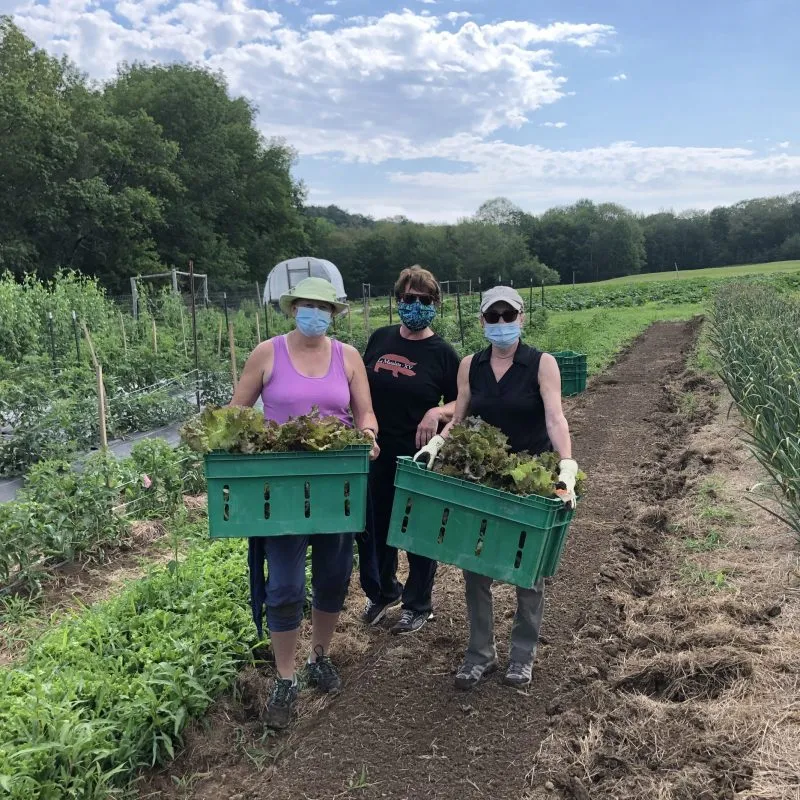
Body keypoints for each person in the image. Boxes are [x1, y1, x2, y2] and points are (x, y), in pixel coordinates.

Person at [230, 277, 380, 729]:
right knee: (285, 585)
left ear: (333, 314)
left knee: (333, 575)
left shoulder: (347, 357)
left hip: (335, 487)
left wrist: (368, 433)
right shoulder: (267, 353)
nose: (315, 313)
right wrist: (236, 445)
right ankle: (286, 677)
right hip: (282, 490)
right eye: (307, 306)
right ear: (293, 309)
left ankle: (319, 656)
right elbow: (237, 412)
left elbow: (364, 412)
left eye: (324, 307)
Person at [415, 285, 579, 689]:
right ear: (482, 321)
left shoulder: (541, 363)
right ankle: (480, 654)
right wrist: (438, 444)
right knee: (475, 568)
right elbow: (460, 418)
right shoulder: (470, 365)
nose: (501, 323)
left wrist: (566, 465)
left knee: (528, 571)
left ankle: (522, 655)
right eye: (493, 316)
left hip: (529, 478)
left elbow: (555, 418)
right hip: (482, 479)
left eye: (508, 315)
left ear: (522, 318)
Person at [358, 265, 460, 634]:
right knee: (375, 526)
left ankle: (418, 604)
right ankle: (384, 591)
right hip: (376, 450)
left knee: (418, 529)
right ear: (397, 300)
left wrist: (437, 411)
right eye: (409, 298)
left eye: (424, 300)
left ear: (436, 304)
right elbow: (361, 388)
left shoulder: (442, 354)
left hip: (418, 455)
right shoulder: (380, 338)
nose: (416, 305)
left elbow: (463, 403)